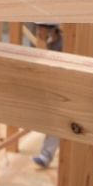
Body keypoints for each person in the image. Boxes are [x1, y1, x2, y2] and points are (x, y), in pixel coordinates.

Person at [31, 23, 63, 168]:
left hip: (63, 90)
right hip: (46, 87)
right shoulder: (40, 43)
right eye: (38, 32)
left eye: (43, 32)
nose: (40, 34)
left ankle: (46, 156)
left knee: (57, 123)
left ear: (53, 31)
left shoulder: (64, 45)